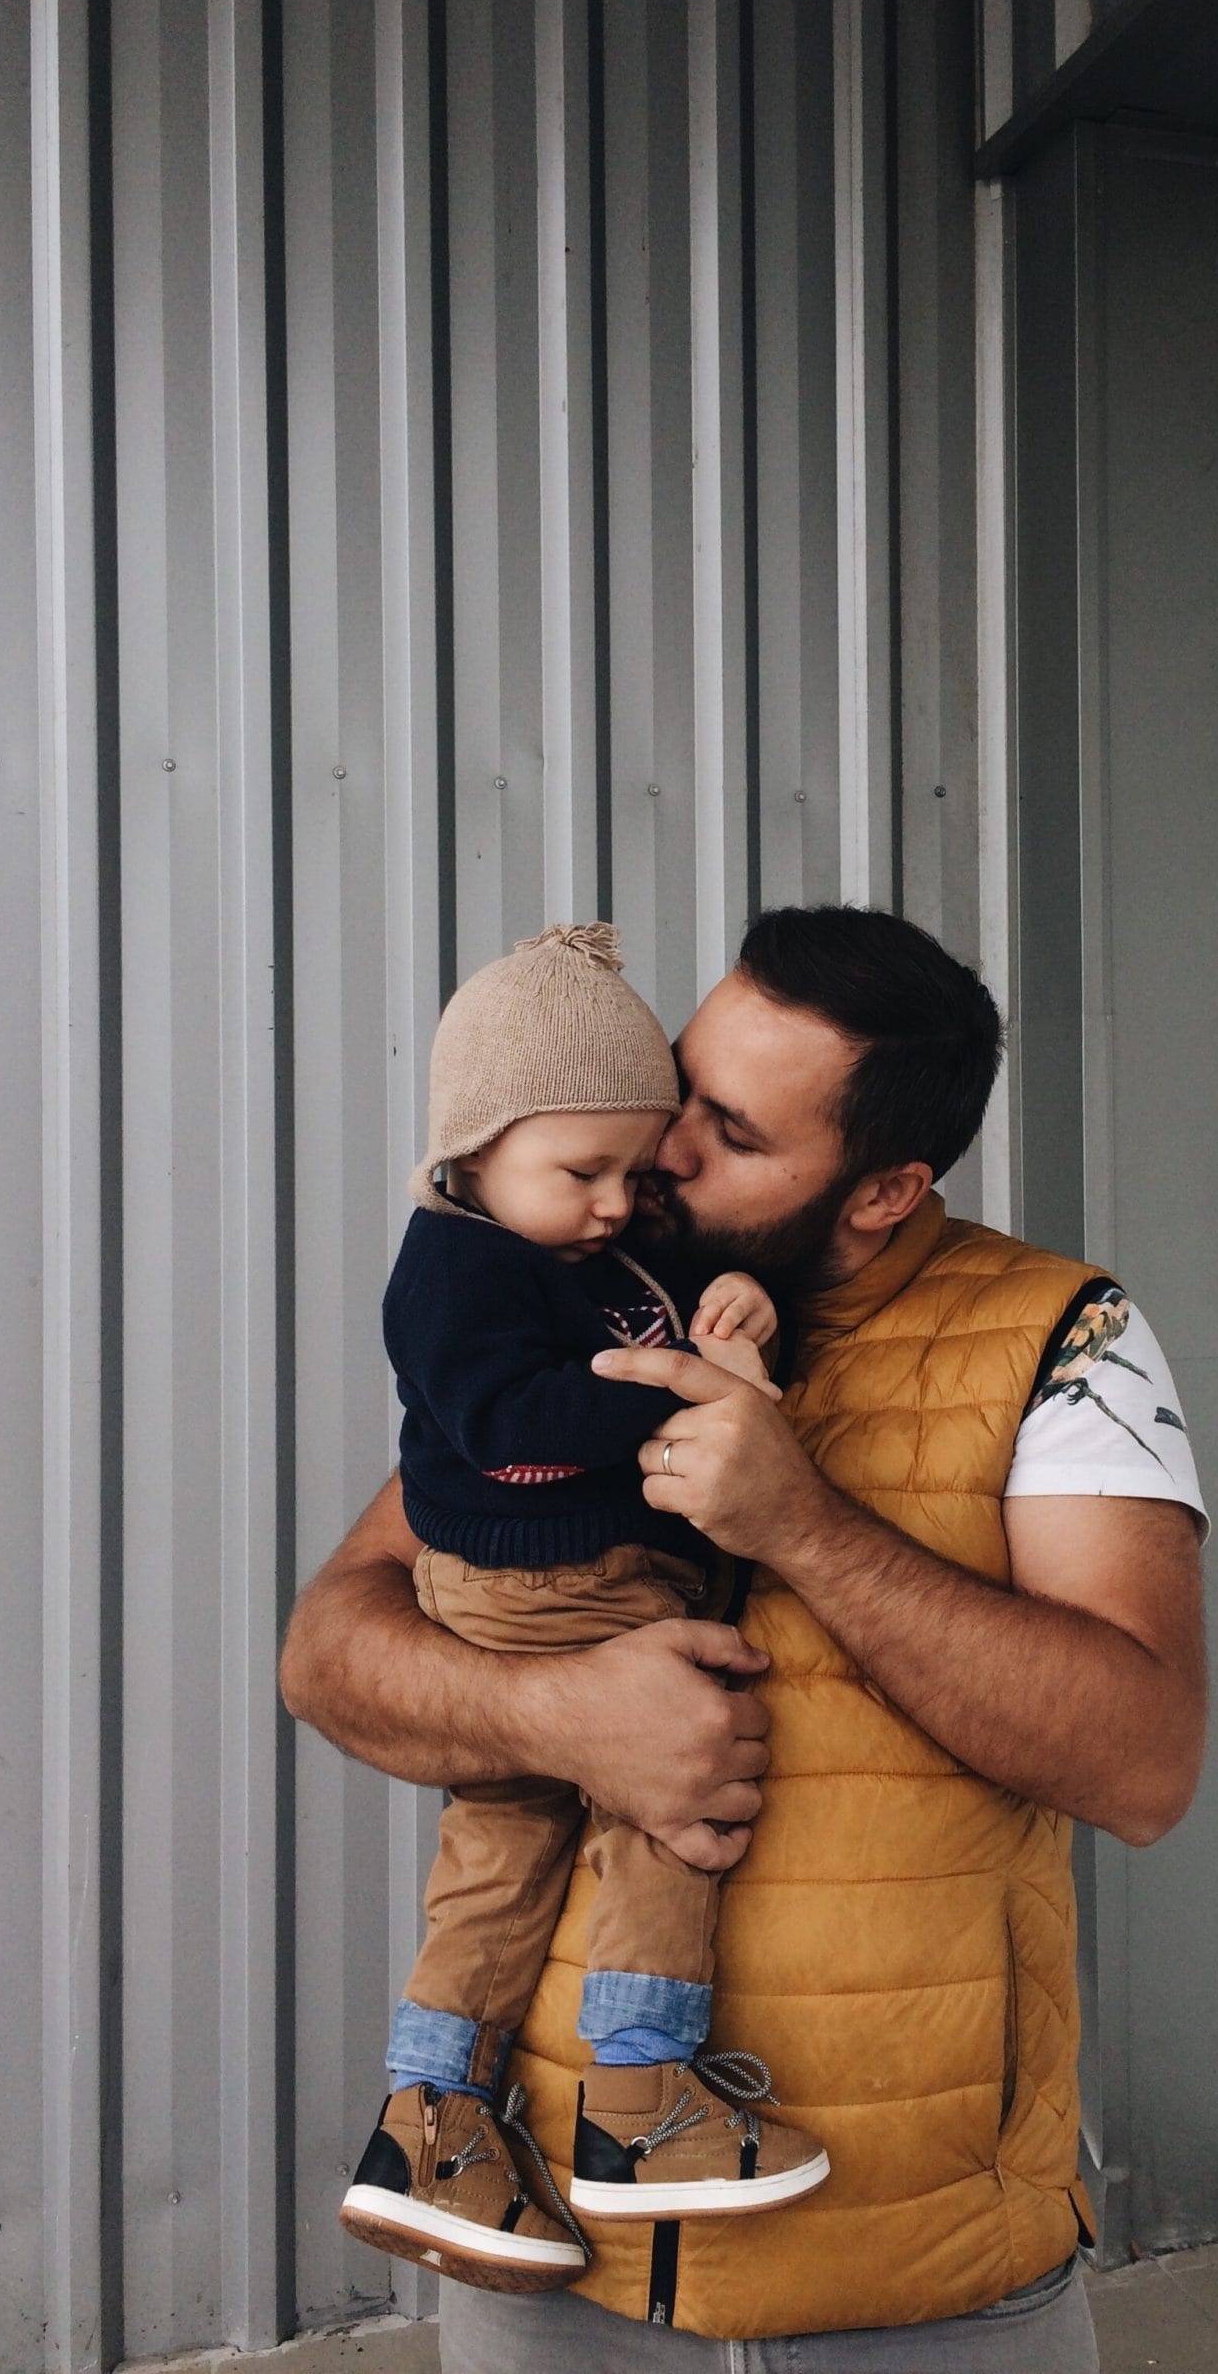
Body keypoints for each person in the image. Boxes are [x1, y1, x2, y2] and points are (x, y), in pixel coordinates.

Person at [281, 906, 1209, 2371]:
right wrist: (555, 1717)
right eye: (678, 1090)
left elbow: (1146, 1764)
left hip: (918, 2269)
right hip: (558, 2274)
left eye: (730, 1129)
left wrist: (807, 1527)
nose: (663, 1154)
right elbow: (330, 1653)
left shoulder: (1059, 1340)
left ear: (885, 1187)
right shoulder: (581, 1299)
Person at [340, 923, 828, 2297]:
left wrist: (738, 1307)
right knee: (671, 1799)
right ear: (472, 1149)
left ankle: (427, 2121)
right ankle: (642, 2106)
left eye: (634, 1166)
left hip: (544, 1589)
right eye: (584, 1172)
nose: (621, 1203)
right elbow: (510, 1427)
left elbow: (653, 1296)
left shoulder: (558, 1241)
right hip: (547, 1596)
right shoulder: (454, 1267)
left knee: (501, 1848)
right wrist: (682, 1383)